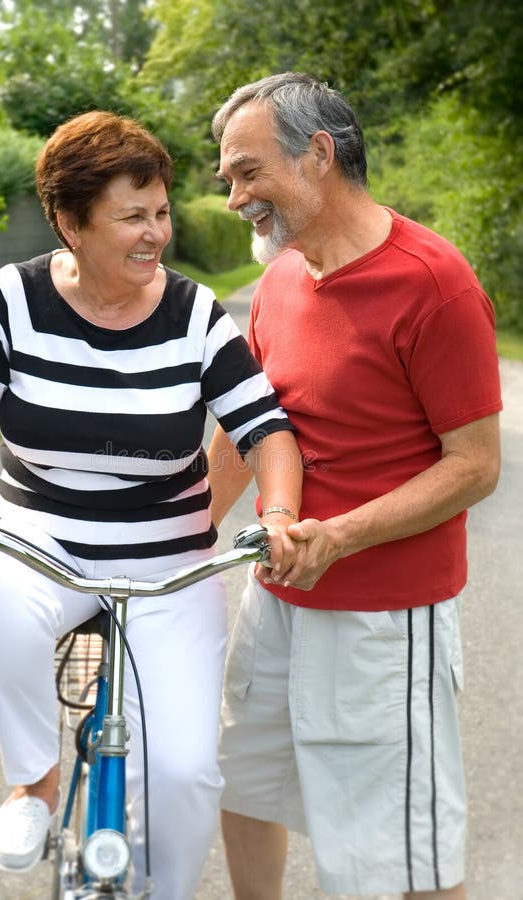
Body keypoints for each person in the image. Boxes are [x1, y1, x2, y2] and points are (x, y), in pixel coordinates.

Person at [0, 110, 305, 900]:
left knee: (185, 775)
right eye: (131, 217)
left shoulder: (192, 315)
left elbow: (267, 434)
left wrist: (280, 513)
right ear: (69, 222)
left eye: (160, 213)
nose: (155, 234)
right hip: (37, 547)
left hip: (168, 568)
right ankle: (35, 784)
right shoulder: (12, 298)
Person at [207, 73, 502, 900]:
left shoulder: (433, 282)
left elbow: (476, 464)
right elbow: (250, 429)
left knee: (403, 851)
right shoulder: (280, 282)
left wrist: (338, 535)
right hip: (276, 601)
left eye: (246, 171)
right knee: (244, 784)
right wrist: (182, 533)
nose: (233, 197)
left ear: (319, 156)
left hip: (382, 622)